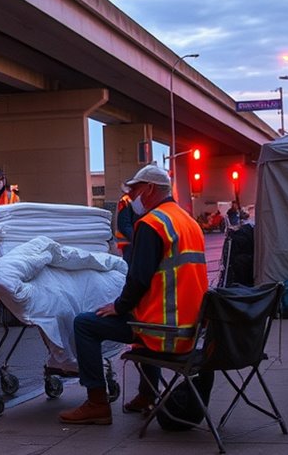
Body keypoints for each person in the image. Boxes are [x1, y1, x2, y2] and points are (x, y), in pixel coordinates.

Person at [58, 164, 208, 425]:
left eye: (135, 189)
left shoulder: (152, 224)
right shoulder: (188, 221)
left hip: (164, 330)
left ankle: (96, 403)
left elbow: (138, 279)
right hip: (190, 328)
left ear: (149, 189)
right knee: (138, 317)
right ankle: (146, 395)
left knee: (84, 324)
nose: (131, 196)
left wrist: (120, 305)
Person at [114, 192, 139, 260]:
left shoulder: (144, 199)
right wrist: (139, 239)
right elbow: (124, 225)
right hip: (128, 244)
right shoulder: (126, 200)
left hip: (135, 243)